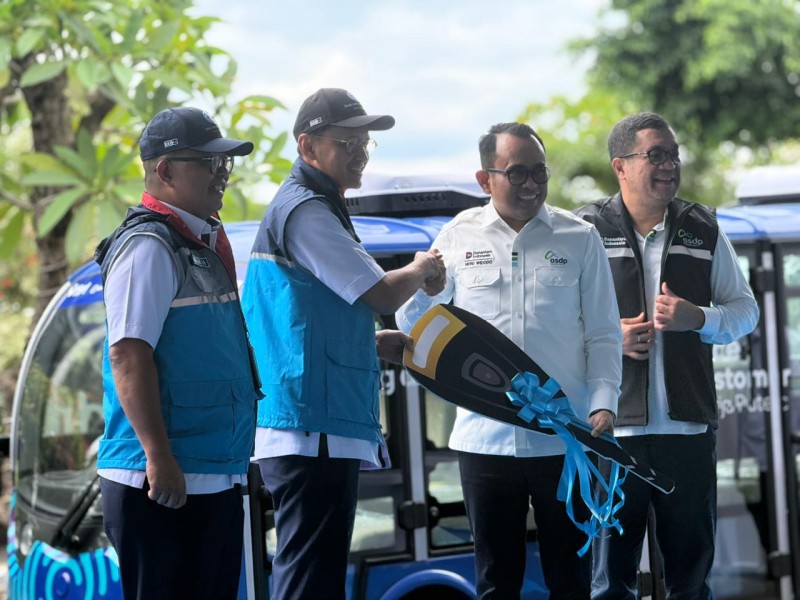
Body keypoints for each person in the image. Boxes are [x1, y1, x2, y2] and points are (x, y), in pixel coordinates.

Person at [396, 122, 623, 600]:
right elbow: (417, 325)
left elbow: (603, 332)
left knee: (570, 577)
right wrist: (428, 292)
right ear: (486, 180)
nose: (531, 184)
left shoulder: (579, 237)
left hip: (565, 440)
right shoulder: (457, 235)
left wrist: (604, 401)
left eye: (539, 172)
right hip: (484, 440)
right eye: (517, 173)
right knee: (497, 580)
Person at [240, 88, 446, 600]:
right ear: (308, 147)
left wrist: (372, 343)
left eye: (365, 142)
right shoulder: (306, 210)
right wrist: (421, 266)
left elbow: (308, 318)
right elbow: (377, 291)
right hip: (310, 424)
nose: (359, 152)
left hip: (312, 418)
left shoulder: (315, 206)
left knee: (316, 570)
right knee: (311, 576)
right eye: (345, 142)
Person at [576, 112, 760, 599]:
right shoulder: (582, 231)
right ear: (620, 165)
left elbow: (745, 312)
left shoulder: (704, 227)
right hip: (610, 435)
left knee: (690, 582)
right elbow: (553, 326)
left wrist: (697, 317)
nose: (668, 164)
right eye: (655, 154)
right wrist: (608, 337)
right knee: (608, 583)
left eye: (672, 154)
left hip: (688, 434)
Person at [94, 107, 261, 600]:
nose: (222, 175)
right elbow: (127, 355)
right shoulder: (149, 245)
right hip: (162, 480)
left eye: (224, 164)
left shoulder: (196, 239)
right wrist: (158, 456)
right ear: (164, 171)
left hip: (207, 470)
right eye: (209, 163)